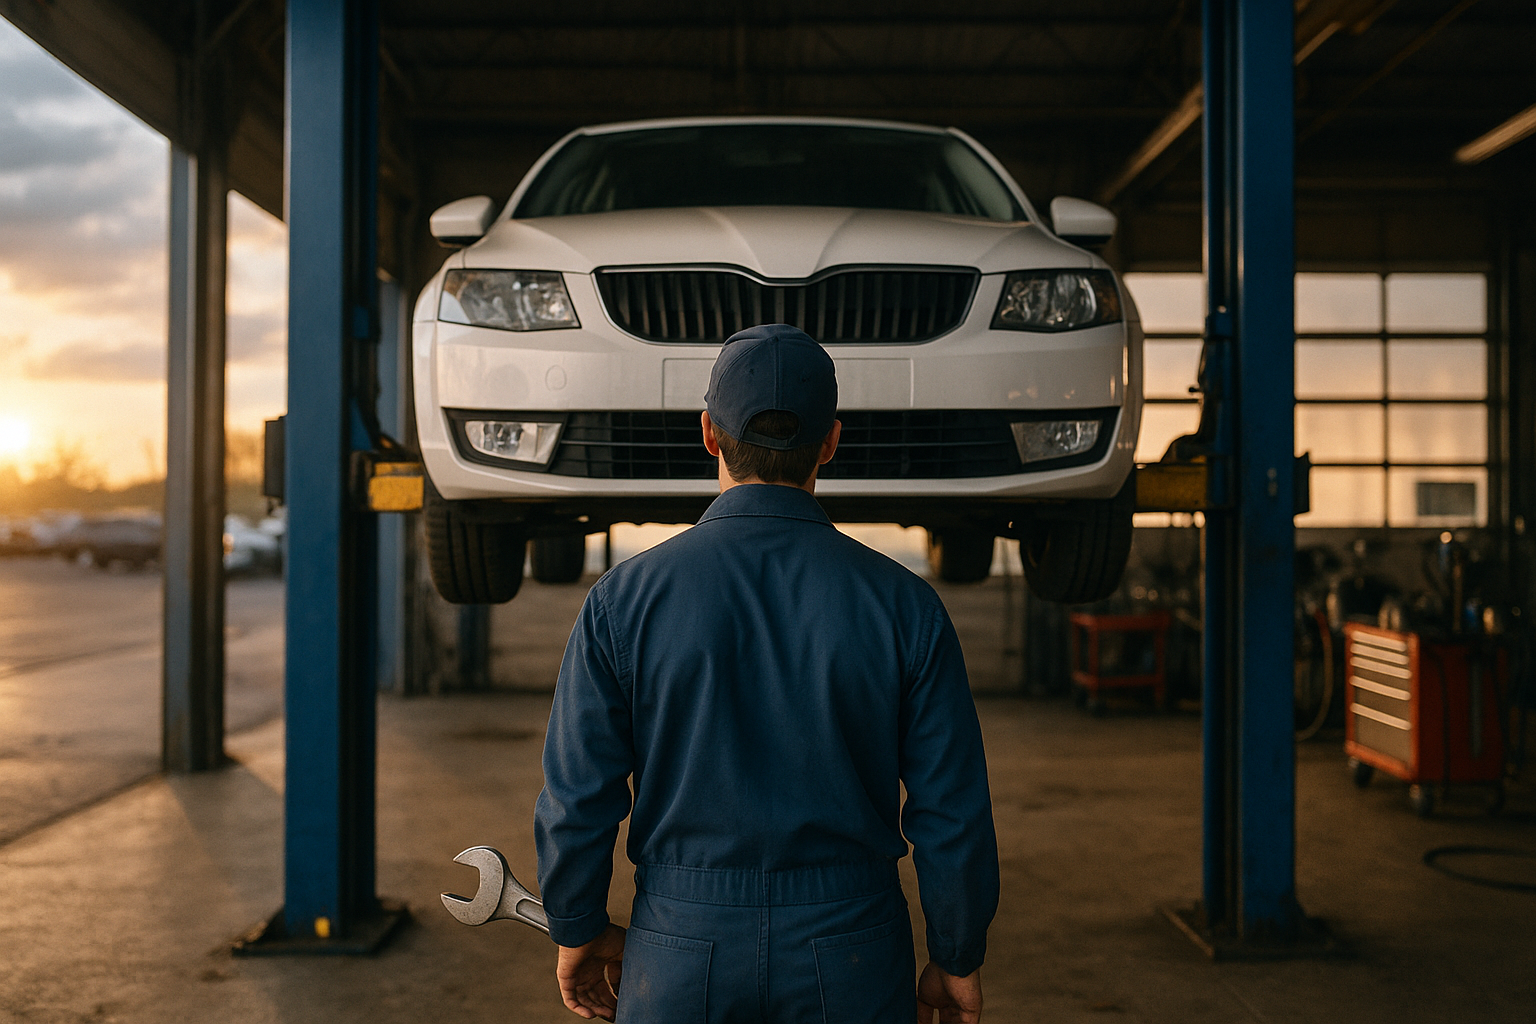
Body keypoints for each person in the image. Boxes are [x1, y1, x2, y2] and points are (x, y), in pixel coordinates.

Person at [534, 323, 999, 1024]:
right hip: (852, 947)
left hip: (679, 946)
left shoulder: (623, 601)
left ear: (710, 435)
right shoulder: (905, 606)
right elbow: (951, 810)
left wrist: (577, 925)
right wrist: (957, 955)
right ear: (831, 442)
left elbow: (578, 795)